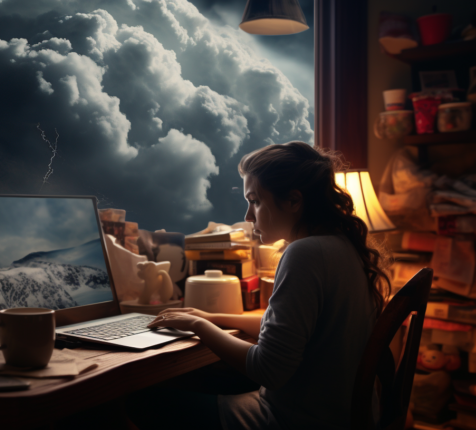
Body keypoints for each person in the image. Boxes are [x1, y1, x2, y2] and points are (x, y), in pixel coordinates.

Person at [137, 141, 391, 429]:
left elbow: (268, 370)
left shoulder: (304, 254)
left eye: (255, 201)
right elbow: (290, 333)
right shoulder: (342, 247)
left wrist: (199, 327)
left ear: (294, 201)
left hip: (291, 420)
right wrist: (212, 318)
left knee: (139, 399)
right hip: (341, 417)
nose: (248, 216)